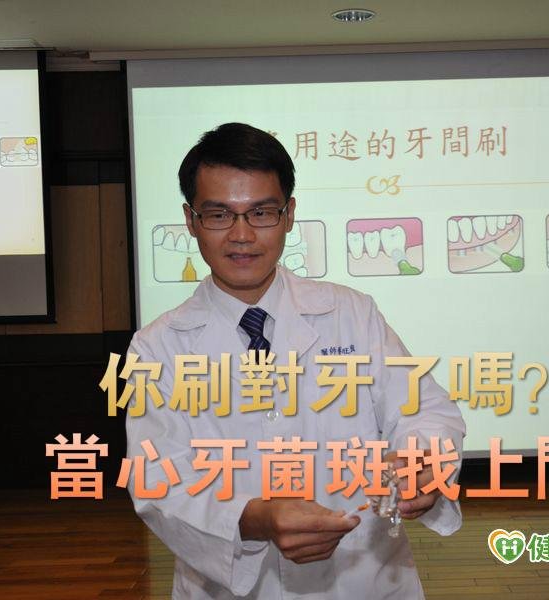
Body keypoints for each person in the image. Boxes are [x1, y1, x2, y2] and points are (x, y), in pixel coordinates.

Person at [125, 122, 465, 599]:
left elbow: (425, 410)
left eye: (261, 212)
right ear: (191, 220)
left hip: (364, 580)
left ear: (289, 216)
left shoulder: (352, 313)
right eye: (219, 214)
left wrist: (419, 461)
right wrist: (255, 519)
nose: (242, 235)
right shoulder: (157, 348)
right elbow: (158, 481)